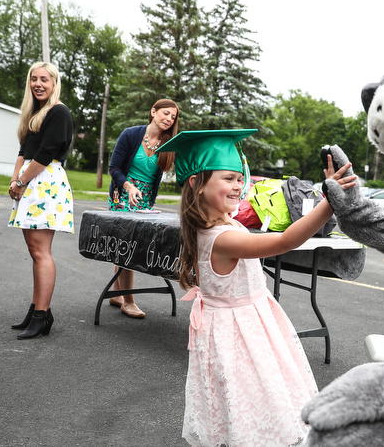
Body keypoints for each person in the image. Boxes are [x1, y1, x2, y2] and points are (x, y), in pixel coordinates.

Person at [155, 130, 356, 447]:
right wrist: (328, 204)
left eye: (240, 178)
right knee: (253, 396)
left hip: (245, 323)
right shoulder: (222, 237)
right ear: (196, 183)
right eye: (229, 178)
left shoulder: (221, 223)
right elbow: (283, 241)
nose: (238, 186)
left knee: (242, 402)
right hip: (239, 332)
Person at [8, 62, 74, 340]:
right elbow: (24, 151)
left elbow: (47, 152)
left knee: (41, 252)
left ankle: (41, 315)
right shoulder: (33, 113)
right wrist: (14, 180)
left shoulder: (59, 111)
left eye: (44, 79)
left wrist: (22, 182)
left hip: (44, 183)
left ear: (54, 82)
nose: (38, 84)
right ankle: (38, 310)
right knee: (35, 251)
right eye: (34, 79)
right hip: (29, 181)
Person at [106, 99, 179, 318]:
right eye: (166, 113)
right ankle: (128, 301)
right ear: (153, 111)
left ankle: (117, 293)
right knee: (126, 246)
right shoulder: (131, 134)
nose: (168, 119)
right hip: (123, 194)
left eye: (173, 117)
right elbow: (114, 168)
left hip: (145, 200)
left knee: (127, 245)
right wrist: (128, 186)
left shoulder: (169, 143)